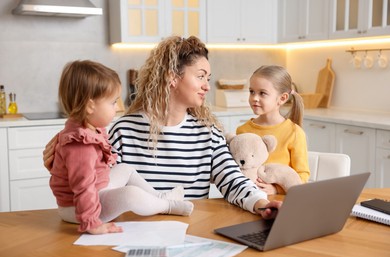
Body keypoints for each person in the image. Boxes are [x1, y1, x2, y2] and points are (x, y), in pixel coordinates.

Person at [44, 36, 281, 220]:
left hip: (190, 232)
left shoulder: (208, 134)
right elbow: (93, 184)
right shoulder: (123, 131)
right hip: (130, 234)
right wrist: (62, 162)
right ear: (172, 78)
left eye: (208, 78)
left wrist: (260, 203)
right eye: (200, 76)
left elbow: (233, 181)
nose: (207, 86)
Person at [49, 60, 193, 235]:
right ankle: (167, 205)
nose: (117, 107)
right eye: (112, 102)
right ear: (90, 106)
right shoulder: (80, 145)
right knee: (130, 195)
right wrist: (91, 223)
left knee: (124, 168)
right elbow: (83, 187)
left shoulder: (88, 129)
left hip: (96, 192)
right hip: (79, 209)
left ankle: (159, 197)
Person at [236, 65, 310, 195]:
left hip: (280, 203)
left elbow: (302, 175)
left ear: (282, 98)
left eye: (262, 93)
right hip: (248, 200)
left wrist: (277, 190)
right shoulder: (243, 131)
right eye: (251, 91)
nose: (254, 98)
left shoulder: (294, 133)